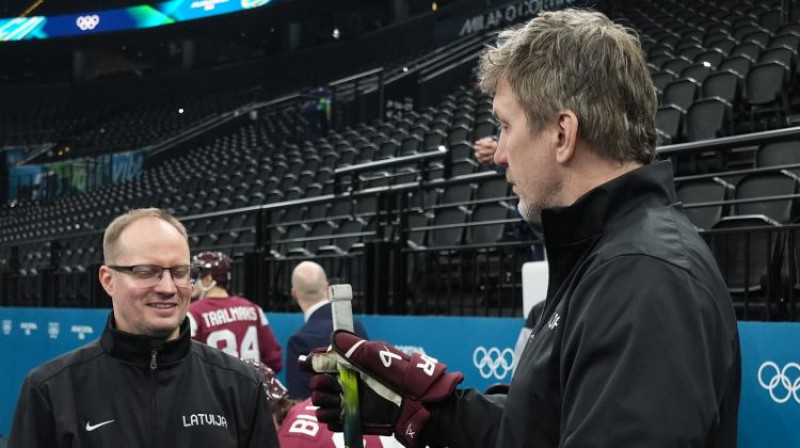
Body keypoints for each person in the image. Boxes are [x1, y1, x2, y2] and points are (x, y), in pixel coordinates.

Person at [304, 9, 741, 448]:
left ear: (562, 135)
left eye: (506, 126)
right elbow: (537, 429)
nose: (499, 154)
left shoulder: (644, 277)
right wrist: (426, 410)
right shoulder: (607, 257)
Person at [8, 208, 279, 447]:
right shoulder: (50, 390)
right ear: (108, 280)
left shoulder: (241, 384)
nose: (167, 288)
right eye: (146, 271)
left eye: (180, 272)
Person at [187, 251, 283, 373]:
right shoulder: (254, 309)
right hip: (251, 387)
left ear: (207, 279)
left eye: (194, 276)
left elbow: (187, 364)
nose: (190, 282)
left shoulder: (193, 313)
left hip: (215, 389)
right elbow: (274, 360)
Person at [285, 261, 368, 399]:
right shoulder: (355, 325)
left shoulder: (299, 341)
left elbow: (299, 400)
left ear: (294, 293)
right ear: (327, 286)